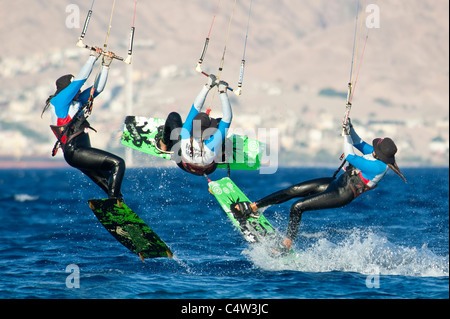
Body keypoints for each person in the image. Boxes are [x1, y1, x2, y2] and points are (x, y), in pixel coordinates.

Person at [233, 118, 407, 254]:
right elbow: (358, 143)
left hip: (343, 194)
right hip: (338, 183)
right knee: (293, 191)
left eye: (376, 145)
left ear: (381, 153)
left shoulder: (378, 167)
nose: (373, 146)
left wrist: (345, 135)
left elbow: (350, 155)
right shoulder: (376, 155)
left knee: (297, 207)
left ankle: (286, 246)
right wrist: (349, 127)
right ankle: (254, 207)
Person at [42, 47, 126, 200]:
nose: (80, 90)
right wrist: (92, 57)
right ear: (67, 89)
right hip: (75, 151)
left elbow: (97, 89)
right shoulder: (59, 102)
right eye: (76, 88)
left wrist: (106, 65)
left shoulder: (77, 102)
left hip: (81, 151)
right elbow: (80, 80)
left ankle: (118, 206)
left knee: (109, 181)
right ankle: (114, 203)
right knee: (118, 164)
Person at [156, 74, 232, 176]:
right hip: (208, 170)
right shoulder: (213, 142)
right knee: (220, 123)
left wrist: (207, 86)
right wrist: (222, 92)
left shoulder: (186, 133)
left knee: (173, 116)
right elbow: (227, 117)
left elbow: (196, 107)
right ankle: (222, 153)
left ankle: (164, 145)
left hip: (182, 164)